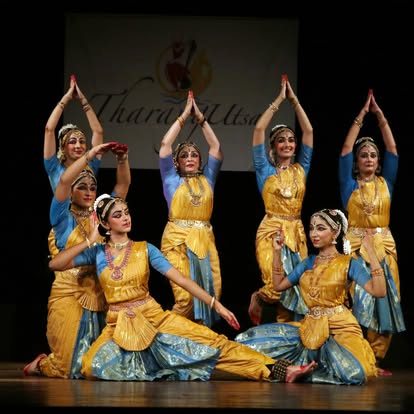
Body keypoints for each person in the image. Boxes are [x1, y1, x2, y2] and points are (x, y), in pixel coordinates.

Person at [47, 194, 318, 382]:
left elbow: (183, 280)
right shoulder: (96, 254)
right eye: (118, 215)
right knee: (90, 366)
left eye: (126, 212)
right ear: (106, 223)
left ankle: (279, 370)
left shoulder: (145, 249)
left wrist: (216, 305)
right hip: (117, 324)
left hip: (153, 317)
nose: (126, 218)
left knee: (213, 344)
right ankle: (157, 366)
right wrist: (90, 240)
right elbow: (56, 264)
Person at [235, 209, 387, 385]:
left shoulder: (348, 263)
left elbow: (379, 291)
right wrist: (276, 252)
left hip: (340, 329)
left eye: (321, 228)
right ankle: (300, 370)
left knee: (355, 374)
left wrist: (371, 252)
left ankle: (306, 374)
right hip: (309, 328)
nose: (314, 233)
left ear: (335, 232)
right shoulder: (308, 262)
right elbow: (278, 286)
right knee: (245, 343)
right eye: (312, 228)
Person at [24, 142, 131, 378]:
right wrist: (90, 155)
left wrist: (122, 159)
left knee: (98, 367)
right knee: (68, 369)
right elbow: (63, 181)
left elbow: (122, 186)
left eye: (93, 187)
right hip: (68, 292)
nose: (89, 192)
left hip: (99, 292)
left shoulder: (101, 215)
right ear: (71, 191)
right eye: (82, 187)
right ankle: (41, 364)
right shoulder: (62, 216)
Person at [338, 90, 406, 376]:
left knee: (385, 300)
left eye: (373, 156)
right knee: (357, 300)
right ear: (357, 162)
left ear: (379, 162)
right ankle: (358, 354)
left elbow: (393, 150)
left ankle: (376, 360)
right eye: (363, 155)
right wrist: (361, 116)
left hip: (384, 245)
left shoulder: (386, 183)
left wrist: (381, 118)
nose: (368, 158)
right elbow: (345, 149)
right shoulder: (349, 185)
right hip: (356, 246)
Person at [248, 74, 313, 325]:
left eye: (291, 140)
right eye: (281, 140)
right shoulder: (264, 170)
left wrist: (294, 101)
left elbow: (309, 131)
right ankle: (258, 297)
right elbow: (258, 130)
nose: (287, 144)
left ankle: (287, 342)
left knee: (296, 293)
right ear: (273, 147)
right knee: (275, 287)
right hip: (271, 231)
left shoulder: (301, 169)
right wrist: (279, 100)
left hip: (296, 232)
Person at [158, 90, 223, 327]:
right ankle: (164, 337)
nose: (189, 158)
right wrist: (185, 115)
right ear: (176, 163)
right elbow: (165, 145)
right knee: (185, 298)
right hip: (177, 241)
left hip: (204, 241)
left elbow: (215, 146)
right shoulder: (171, 179)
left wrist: (201, 119)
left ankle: (197, 341)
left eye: (194, 155)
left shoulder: (208, 179)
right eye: (184, 155)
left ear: (200, 161)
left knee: (211, 297)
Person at [44, 74, 104, 193]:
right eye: (72, 141)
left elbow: (98, 132)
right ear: (63, 147)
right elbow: (49, 130)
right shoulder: (54, 167)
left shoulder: (90, 167)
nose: (78, 146)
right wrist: (66, 98)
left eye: (82, 141)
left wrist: (83, 100)